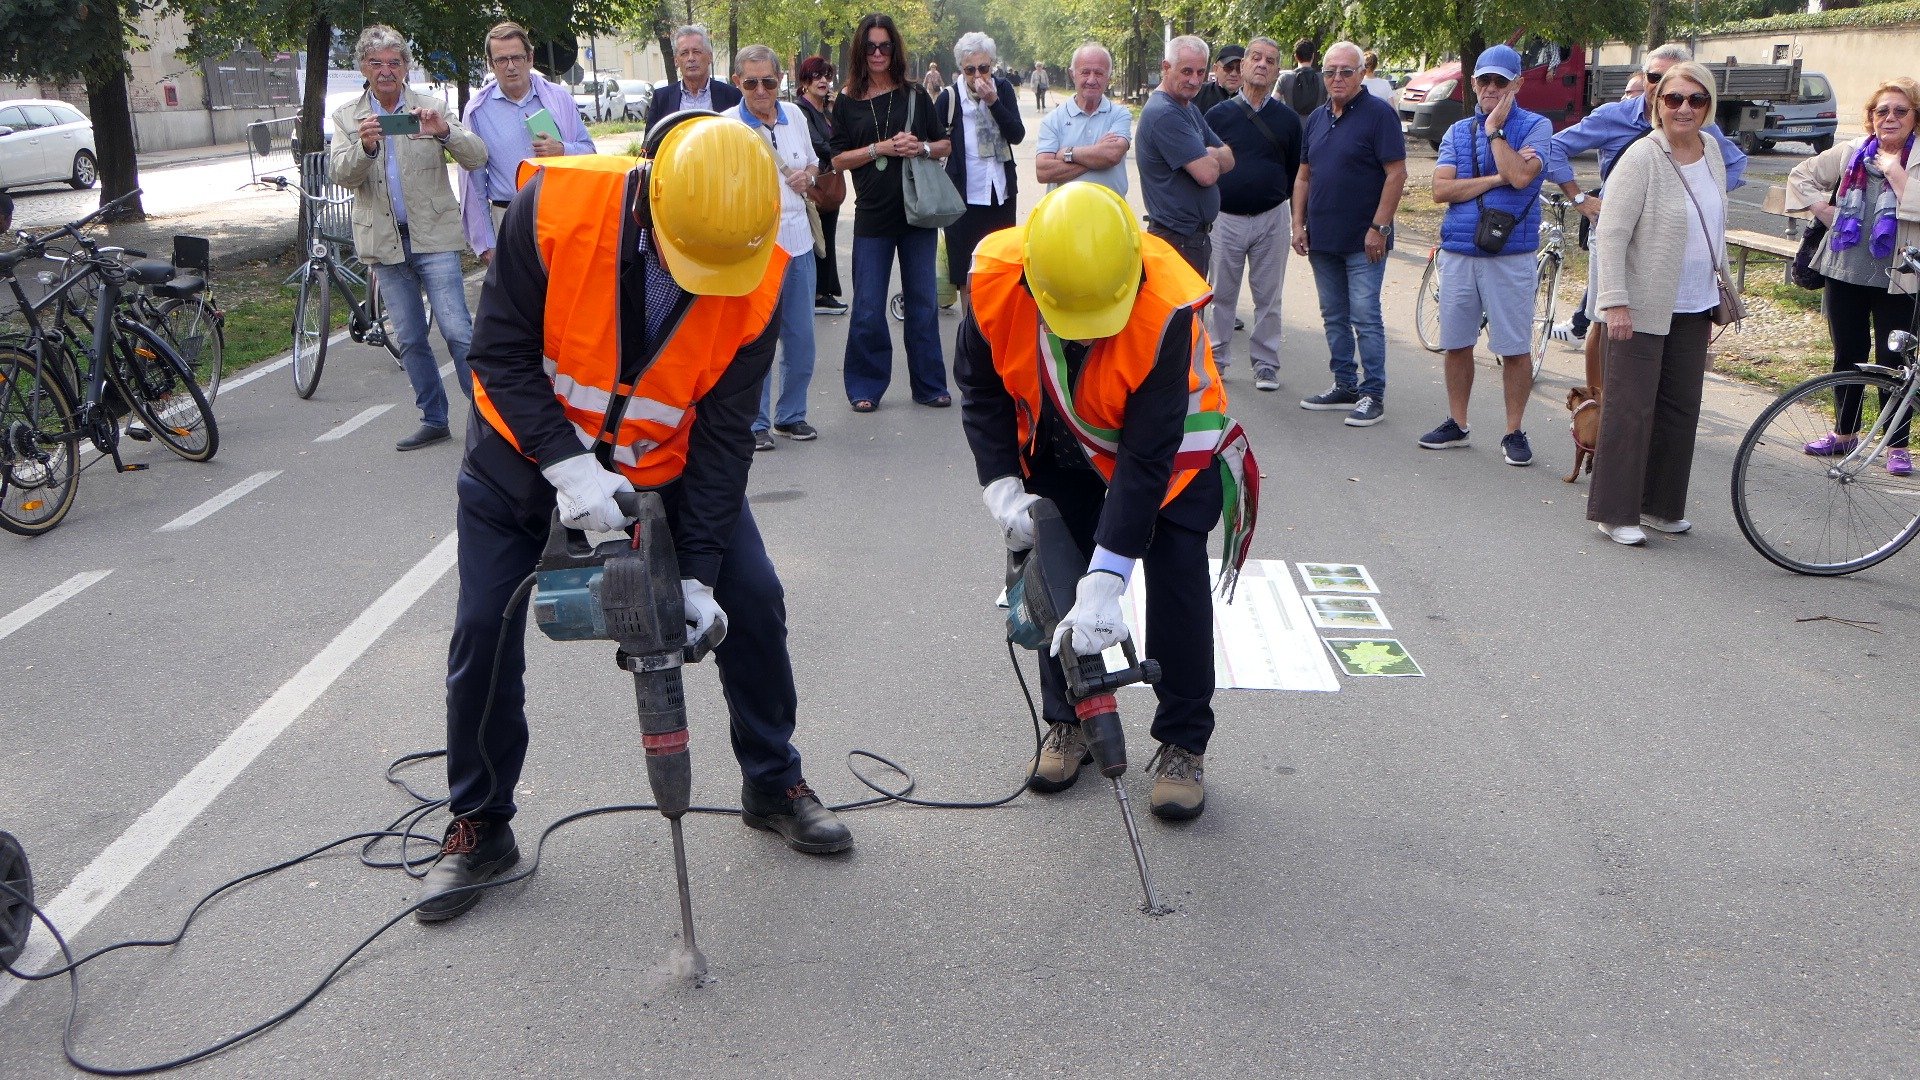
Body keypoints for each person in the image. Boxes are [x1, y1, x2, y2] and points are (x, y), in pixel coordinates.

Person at [418, 116, 854, 923]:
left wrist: (700, 577)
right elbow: (498, 356)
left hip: (666, 470)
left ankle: (773, 780)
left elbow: (724, 438)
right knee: (483, 629)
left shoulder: (757, 274)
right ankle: (480, 822)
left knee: (753, 601)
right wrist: (568, 467)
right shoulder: (552, 209)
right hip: (522, 462)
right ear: (651, 194)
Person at [955, 183, 1258, 822]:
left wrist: (1109, 576)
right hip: (1062, 446)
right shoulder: (993, 283)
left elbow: (1145, 460)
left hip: (1169, 459)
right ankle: (1069, 722)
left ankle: (1183, 743)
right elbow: (982, 392)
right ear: (1033, 279)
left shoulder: (1166, 308)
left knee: (1176, 583)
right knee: (1054, 574)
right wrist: (1001, 484)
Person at [1545, 43, 1746, 395]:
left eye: (1677, 83)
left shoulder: (1700, 127)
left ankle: (1649, 397)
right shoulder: (1614, 116)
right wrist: (1580, 198)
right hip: (1616, 231)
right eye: (1655, 78)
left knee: (1662, 326)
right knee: (1604, 321)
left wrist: (1699, 195)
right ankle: (1598, 405)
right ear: (1645, 78)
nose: (1664, 88)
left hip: (1666, 238)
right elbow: (1553, 147)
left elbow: (1736, 163)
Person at [1587, 62, 1732, 546]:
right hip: (1641, 303)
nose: (1685, 108)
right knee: (1630, 410)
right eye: (1674, 99)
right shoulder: (1642, 157)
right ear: (1657, 104)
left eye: (1696, 99)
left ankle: (1660, 505)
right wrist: (1614, 302)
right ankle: (1615, 513)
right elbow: (1611, 234)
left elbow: (1715, 222)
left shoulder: (1711, 150)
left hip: (1695, 301)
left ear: (1709, 105)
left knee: (1680, 408)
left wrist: (1722, 285)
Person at [329, 25, 487, 452]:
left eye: (394, 62)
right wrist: (365, 148)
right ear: (363, 68)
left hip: (433, 237)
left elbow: (476, 157)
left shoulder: (431, 107)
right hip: (384, 242)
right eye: (376, 63)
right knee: (411, 339)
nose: (386, 71)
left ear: (406, 67)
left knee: (458, 331)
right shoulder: (347, 117)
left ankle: (489, 421)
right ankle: (434, 419)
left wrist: (444, 132)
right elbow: (340, 174)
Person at [1418, 44, 1552, 466]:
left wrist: (1494, 131)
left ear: (1517, 84)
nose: (1491, 88)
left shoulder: (1536, 127)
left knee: (1513, 347)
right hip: (1459, 252)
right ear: (1473, 83)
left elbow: (1521, 176)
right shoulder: (1458, 132)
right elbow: (1441, 189)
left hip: (1511, 255)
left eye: (1500, 81)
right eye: (1484, 81)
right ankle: (1457, 423)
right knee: (1456, 343)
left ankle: (1514, 430)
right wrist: (1496, 179)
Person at [1787, 77, 1920, 477]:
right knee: (1848, 353)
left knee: (1895, 362)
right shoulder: (1851, 151)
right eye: (1882, 110)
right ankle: (1844, 433)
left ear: (1915, 117)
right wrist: (1821, 208)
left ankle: (1896, 445)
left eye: (1900, 111)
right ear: (1871, 116)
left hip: (1899, 278)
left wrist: (1895, 173)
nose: (1890, 118)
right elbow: (1800, 175)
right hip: (1844, 270)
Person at [827, 13, 951, 413]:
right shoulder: (846, 101)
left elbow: (944, 145)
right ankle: (865, 385)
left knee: (923, 304)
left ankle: (929, 385)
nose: (878, 53)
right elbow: (837, 159)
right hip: (872, 217)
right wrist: (877, 149)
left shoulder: (914, 94)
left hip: (916, 215)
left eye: (885, 46)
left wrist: (921, 148)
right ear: (860, 51)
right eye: (870, 46)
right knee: (867, 307)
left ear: (894, 49)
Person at [1292, 40, 1406, 428]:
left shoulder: (1379, 115)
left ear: (1361, 74)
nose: (1337, 77)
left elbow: (1396, 173)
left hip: (1365, 240)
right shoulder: (1317, 118)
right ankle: (1345, 385)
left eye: (1346, 71)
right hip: (1322, 237)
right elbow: (1303, 177)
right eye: (1330, 71)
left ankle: (1373, 393)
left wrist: (1380, 227)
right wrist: (1297, 224)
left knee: (1365, 316)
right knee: (1334, 315)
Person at [730, 45, 829, 453]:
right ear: (737, 82)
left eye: (768, 82)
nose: (760, 90)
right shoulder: (727, 125)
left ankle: (791, 415)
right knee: (756, 341)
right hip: (755, 249)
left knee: (801, 339)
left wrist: (809, 176)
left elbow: (813, 162)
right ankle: (755, 422)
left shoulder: (796, 116)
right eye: (751, 82)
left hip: (798, 244)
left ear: (780, 81)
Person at [1203, 36, 1299, 390]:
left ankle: (1266, 364)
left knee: (1269, 297)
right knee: (1221, 295)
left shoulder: (1288, 120)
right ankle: (1216, 360)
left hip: (1271, 218)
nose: (1261, 64)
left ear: (1277, 71)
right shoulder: (1217, 116)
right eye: (1255, 58)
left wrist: (1288, 211)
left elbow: (1295, 172)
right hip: (1225, 218)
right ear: (1243, 66)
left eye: (1270, 61)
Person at [460, 22, 594, 264]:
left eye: (517, 58)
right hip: (508, 217)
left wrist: (562, 149)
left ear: (530, 58)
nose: (511, 66)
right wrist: (486, 243)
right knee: (516, 289)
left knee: (563, 286)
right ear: (491, 64)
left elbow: (590, 153)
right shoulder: (478, 111)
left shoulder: (558, 99)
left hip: (560, 215)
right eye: (502, 60)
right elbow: (474, 183)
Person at [935, 32, 1024, 315]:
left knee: (1000, 270)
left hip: (1000, 194)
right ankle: (970, 331)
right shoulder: (950, 98)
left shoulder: (1003, 89)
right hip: (963, 198)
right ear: (961, 69)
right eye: (970, 70)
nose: (977, 76)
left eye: (983, 68)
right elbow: (934, 142)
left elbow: (1017, 134)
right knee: (966, 272)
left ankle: (997, 329)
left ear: (992, 65)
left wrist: (993, 101)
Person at [1136, 35, 1234, 275]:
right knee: (1184, 302)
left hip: (1189, 240)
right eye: (1187, 71)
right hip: (1176, 241)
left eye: (1200, 72)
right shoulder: (1165, 113)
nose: (1194, 80)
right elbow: (1207, 174)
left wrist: (1210, 153)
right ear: (1166, 67)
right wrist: (1212, 157)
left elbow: (1230, 158)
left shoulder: (1187, 108)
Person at [1034, 43, 1132, 195]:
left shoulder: (1119, 114)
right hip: (1065, 210)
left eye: (1099, 73)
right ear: (1072, 74)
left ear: (1109, 77)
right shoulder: (1053, 120)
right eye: (1085, 72)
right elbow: (1043, 172)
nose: (1091, 80)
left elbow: (1112, 155)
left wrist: (1067, 153)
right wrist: (1098, 157)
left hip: (1109, 209)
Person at [796, 56, 847, 315]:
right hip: (814, 184)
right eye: (817, 76)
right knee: (817, 237)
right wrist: (843, 156)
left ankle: (825, 292)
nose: (823, 81)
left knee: (827, 235)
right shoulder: (801, 110)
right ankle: (817, 294)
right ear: (805, 81)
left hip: (829, 185)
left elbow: (842, 136)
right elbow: (818, 144)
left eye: (827, 76)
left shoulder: (826, 109)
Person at [647, 25, 741, 126]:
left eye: (696, 52)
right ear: (676, 61)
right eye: (684, 53)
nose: (691, 58)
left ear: (710, 57)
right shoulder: (661, 99)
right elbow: (652, 136)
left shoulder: (732, 96)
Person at [1276, 38, 1325, 117]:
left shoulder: (1285, 78)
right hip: (1317, 123)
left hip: (1291, 123)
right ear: (1313, 56)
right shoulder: (1323, 78)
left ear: (1295, 57)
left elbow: (1273, 103)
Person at [1193, 44, 1244, 114]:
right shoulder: (1197, 93)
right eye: (1228, 68)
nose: (1234, 74)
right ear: (1215, 69)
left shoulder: (1252, 99)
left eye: (1239, 69)